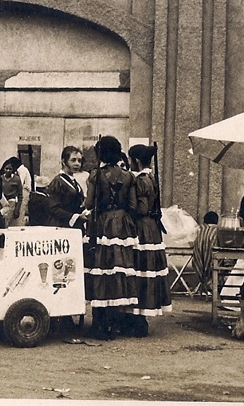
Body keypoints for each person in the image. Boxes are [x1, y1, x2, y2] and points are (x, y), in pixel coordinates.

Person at [84, 136, 138, 341]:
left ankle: (100, 324)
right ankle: (115, 322)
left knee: (100, 270)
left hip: (102, 224)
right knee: (118, 271)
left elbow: (89, 203)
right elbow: (132, 206)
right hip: (123, 226)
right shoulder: (128, 176)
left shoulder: (96, 175)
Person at [123, 144, 171, 337]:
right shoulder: (151, 177)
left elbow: (141, 208)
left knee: (140, 270)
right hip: (152, 228)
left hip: (142, 228)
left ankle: (137, 319)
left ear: (134, 161)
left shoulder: (141, 180)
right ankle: (138, 318)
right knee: (146, 271)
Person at [34, 146, 87, 229]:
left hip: (73, 225)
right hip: (60, 225)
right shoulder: (58, 182)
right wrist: (75, 217)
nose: (77, 164)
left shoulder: (74, 182)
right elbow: (53, 208)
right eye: (73, 160)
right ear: (63, 161)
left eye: (79, 161)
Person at [0, 157, 24, 226]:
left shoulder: (17, 179)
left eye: (10, 169)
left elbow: (20, 196)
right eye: (6, 168)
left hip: (11, 203)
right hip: (1, 202)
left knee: (8, 223)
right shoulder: (0, 178)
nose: (8, 171)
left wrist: (17, 209)